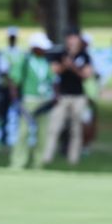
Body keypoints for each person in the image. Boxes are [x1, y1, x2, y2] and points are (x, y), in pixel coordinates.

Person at [42, 31, 92, 165]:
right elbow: (55, 70)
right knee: (54, 127)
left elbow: (86, 75)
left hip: (78, 96)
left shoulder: (84, 55)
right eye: (69, 38)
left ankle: (73, 159)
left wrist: (73, 66)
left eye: (74, 38)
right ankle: (46, 157)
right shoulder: (61, 54)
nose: (71, 41)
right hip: (62, 96)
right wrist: (65, 64)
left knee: (76, 129)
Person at [9, 32, 55, 169]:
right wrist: (15, 100)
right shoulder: (25, 60)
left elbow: (51, 80)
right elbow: (14, 80)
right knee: (24, 132)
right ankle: (17, 162)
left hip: (45, 100)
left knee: (43, 134)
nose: (44, 50)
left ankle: (38, 163)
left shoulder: (46, 61)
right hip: (29, 100)